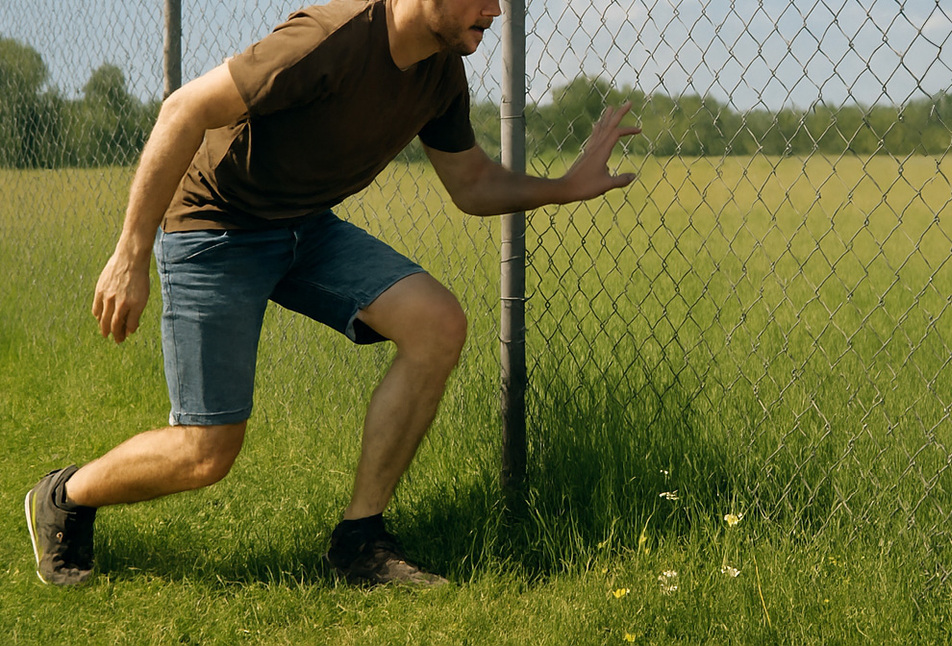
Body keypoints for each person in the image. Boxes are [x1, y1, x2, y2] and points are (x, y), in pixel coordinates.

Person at [24, 0, 639, 587]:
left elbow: (472, 183)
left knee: (438, 323)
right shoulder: (327, 39)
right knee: (205, 454)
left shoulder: (441, 72)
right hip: (216, 226)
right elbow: (183, 109)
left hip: (303, 225)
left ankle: (359, 541)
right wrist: (130, 254)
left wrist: (564, 187)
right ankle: (62, 496)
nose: (495, 12)